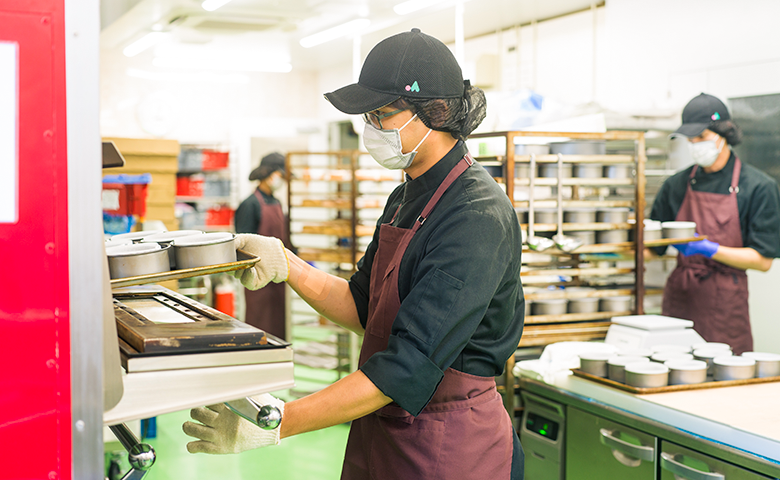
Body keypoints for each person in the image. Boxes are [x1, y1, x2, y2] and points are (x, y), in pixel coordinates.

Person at [183, 28, 525, 479]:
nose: (371, 129)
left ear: (434, 113)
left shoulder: (476, 215)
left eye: (382, 114)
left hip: (449, 443)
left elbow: (408, 365)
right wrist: (287, 264)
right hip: (386, 429)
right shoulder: (407, 196)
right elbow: (364, 307)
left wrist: (279, 422)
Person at [649, 93, 780, 354]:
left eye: (702, 137)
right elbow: (654, 247)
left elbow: (763, 261)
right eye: (691, 139)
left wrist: (708, 249)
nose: (695, 144)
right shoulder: (676, 185)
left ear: (724, 134)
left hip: (725, 305)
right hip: (681, 299)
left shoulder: (758, 186)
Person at [234, 152, 292, 340]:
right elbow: (241, 247)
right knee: (259, 324)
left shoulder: (277, 202)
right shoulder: (249, 205)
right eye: (281, 176)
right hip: (258, 279)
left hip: (280, 277)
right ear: (270, 174)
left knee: (279, 325)